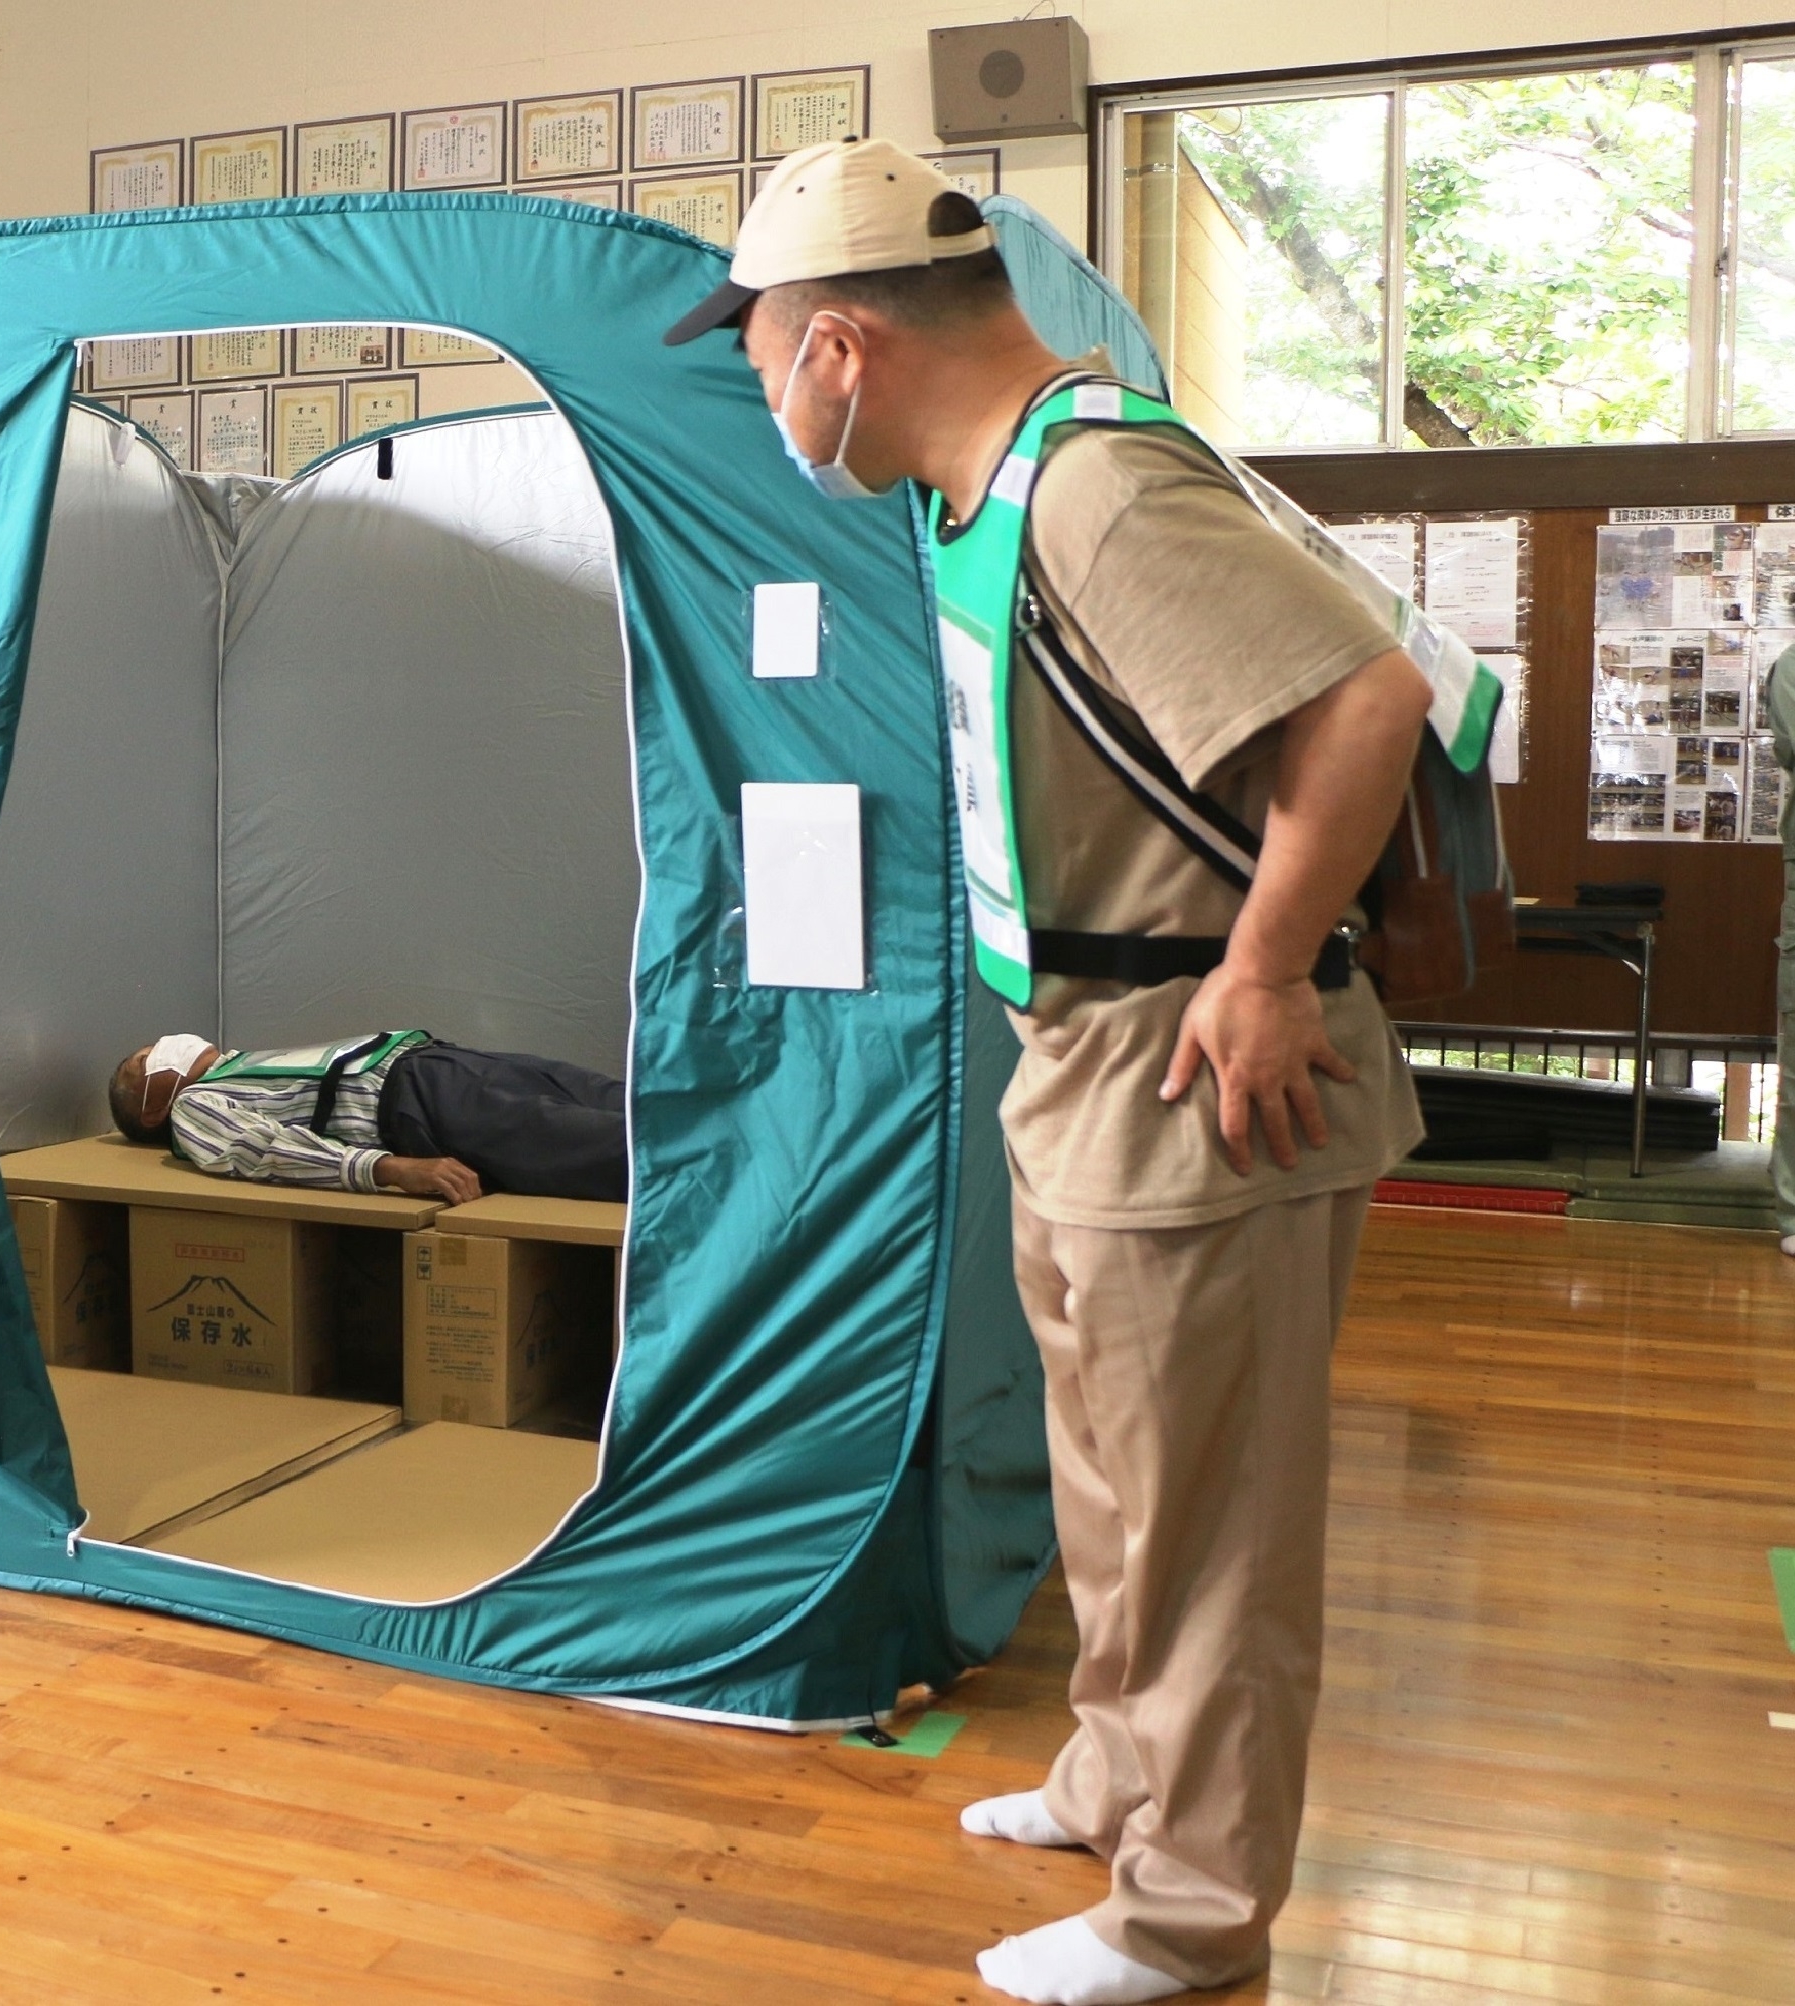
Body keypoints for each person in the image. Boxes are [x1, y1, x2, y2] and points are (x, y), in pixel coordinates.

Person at [670, 137, 1433, 2006]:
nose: (770, 400)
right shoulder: (991, 489)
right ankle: (1114, 1782)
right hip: (1083, 1062)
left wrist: (1265, 970)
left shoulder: (1094, 481)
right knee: (1110, 1492)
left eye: (762, 355)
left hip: (1199, 1076)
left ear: (838, 345)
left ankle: (1191, 1913)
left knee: (1206, 1535)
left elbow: (1368, 701)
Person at [104, 1030, 625, 1203]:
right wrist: (391, 1169)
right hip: (418, 1101)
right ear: (151, 1110)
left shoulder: (238, 1066)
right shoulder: (193, 1108)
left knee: (618, 1098)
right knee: (602, 1143)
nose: (162, 1043)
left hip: (437, 1063)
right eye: (146, 1057)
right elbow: (263, 1151)